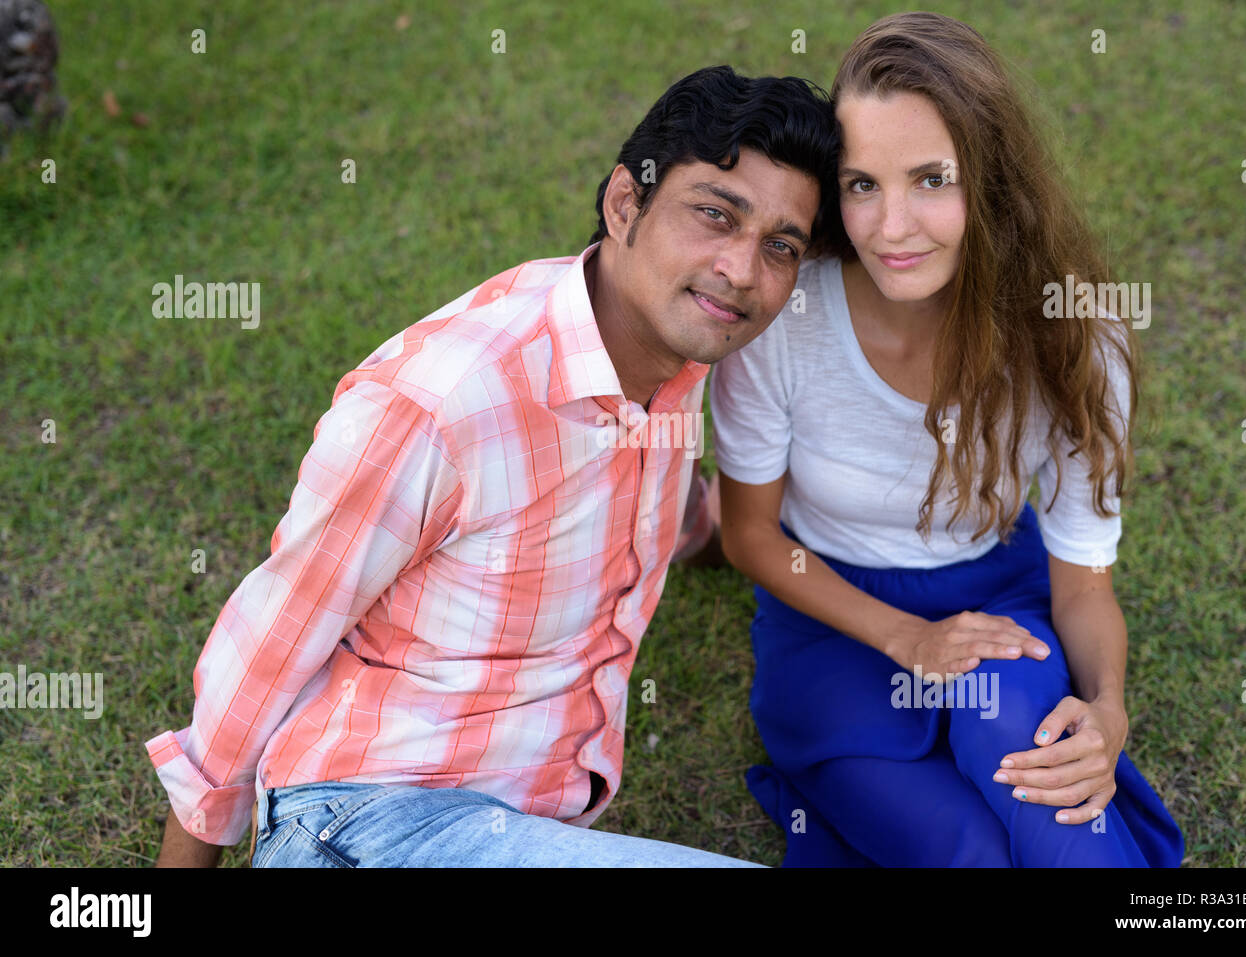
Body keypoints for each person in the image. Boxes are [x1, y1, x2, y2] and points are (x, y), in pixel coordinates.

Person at [147, 64, 839, 867]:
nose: (742, 269)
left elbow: (652, 510)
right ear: (626, 205)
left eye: (780, 246)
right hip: (365, 820)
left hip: (511, 828)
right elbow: (273, 633)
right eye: (715, 215)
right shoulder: (442, 403)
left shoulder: (671, 368)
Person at [710, 13, 1184, 867]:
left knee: (1057, 815)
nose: (892, 228)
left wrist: (1109, 709)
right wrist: (904, 638)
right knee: (966, 850)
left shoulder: (1077, 336)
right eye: (861, 185)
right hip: (833, 618)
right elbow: (750, 535)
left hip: (999, 600)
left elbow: (1081, 585)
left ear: (996, 179)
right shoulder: (786, 318)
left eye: (932, 179)